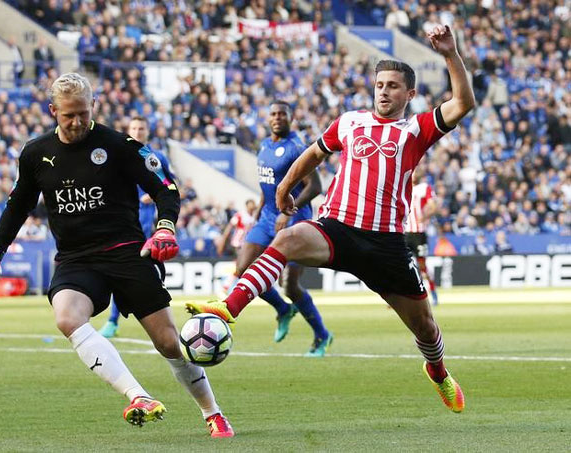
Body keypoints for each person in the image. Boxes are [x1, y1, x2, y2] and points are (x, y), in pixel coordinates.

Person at [188, 25, 475, 413]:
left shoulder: (416, 129)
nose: (384, 91)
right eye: (379, 84)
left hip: (386, 243)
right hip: (336, 228)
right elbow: (314, 153)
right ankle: (229, 307)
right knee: (287, 240)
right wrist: (285, 185)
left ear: (409, 94)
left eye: (393, 86)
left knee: (424, 325)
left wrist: (450, 54)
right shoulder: (349, 122)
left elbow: (463, 103)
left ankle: (438, 372)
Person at [0, 73, 234, 438]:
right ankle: (138, 396)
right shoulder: (35, 154)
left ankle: (213, 412)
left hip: (127, 253)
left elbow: (166, 189)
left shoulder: (119, 145)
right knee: (66, 318)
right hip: (76, 260)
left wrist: (164, 228)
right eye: (68, 115)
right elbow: (17, 206)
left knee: (168, 343)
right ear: (53, 111)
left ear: (93, 106)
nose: (77, 121)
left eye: (83, 112)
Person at [223, 101, 332, 356]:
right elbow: (266, 185)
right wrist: (258, 213)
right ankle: (282, 310)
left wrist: (286, 211)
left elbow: (314, 187)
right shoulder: (264, 145)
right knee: (243, 268)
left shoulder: (297, 148)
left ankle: (322, 335)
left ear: (291, 118)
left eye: (282, 114)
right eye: (273, 114)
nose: (277, 118)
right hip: (266, 218)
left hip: (295, 220)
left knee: (290, 286)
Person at [98, 116, 175, 339]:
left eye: (141, 128)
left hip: (147, 230)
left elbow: (169, 189)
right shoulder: (117, 155)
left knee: (148, 275)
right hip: (121, 226)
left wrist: (156, 198)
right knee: (120, 273)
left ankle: (150, 321)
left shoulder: (156, 157)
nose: (138, 132)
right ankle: (113, 321)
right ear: (128, 130)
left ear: (147, 131)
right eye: (134, 128)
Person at [404, 166, 439, 305]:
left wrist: (425, 216)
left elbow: (433, 205)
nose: (414, 174)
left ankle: (432, 292)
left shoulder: (425, 188)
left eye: (417, 171)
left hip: (419, 233)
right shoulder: (403, 187)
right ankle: (400, 297)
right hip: (404, 233)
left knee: (422, 265)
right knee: (401, 265)